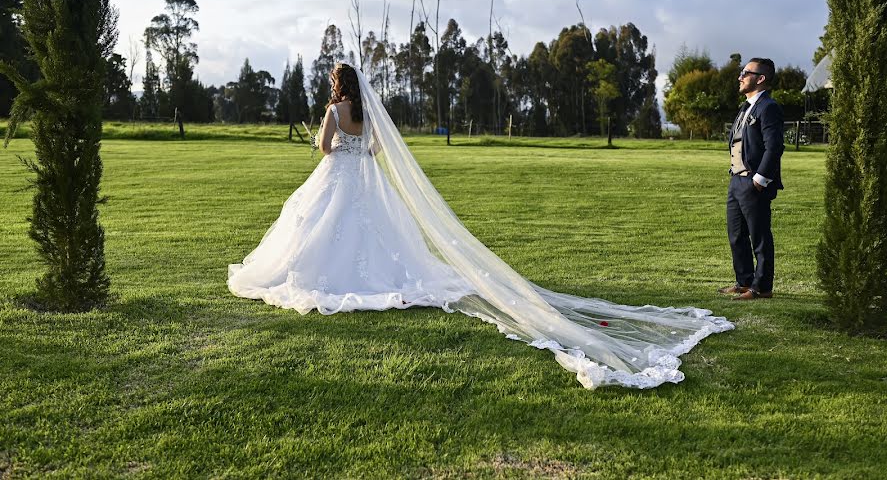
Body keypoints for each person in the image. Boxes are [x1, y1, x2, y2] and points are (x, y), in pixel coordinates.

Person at [230, 63, 734, 389]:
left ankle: (331, 279)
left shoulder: (335, 111)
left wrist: (337, 141)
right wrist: (359, 150)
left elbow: (321, 148)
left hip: (337, 173)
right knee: (370, 232)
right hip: (361, 177)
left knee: (317, 228)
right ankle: (374, 279)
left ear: (337, 87)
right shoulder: (369, 114)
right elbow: (381, 149)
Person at [719, 58, 784, 301]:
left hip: (754, 182)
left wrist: (760, 179)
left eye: (746, 72)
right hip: (736, 181)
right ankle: (744, 281)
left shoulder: (768, 107)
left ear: (761, 78)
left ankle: (762, 287)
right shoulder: (746, 107)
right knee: (736, 235)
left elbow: (774, 146)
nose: (740, 76)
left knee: (759, 236)